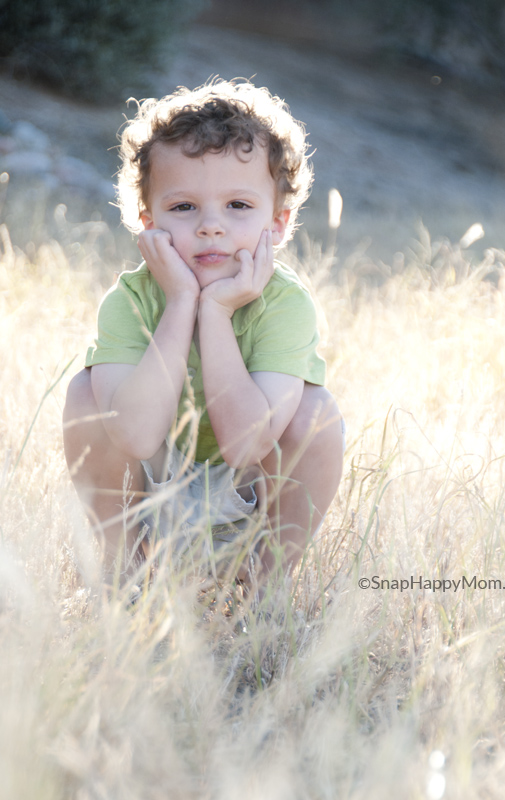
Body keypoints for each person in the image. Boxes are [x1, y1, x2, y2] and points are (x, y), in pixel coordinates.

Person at [62, 80, 344, 594]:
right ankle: (125, 569)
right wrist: (180, 304)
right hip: (152, 486)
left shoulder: (284, 304)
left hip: (247, 488)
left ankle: (263, 583)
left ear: (277, 223)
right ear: (148, 222)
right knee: (86, 396)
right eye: (184, 207)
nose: (211, 226)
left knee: (315, 413)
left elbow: (247, 444)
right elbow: (134, 436)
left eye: (238, 205)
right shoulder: (131, 300)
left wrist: (215, 313)